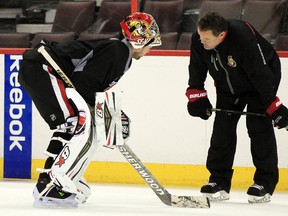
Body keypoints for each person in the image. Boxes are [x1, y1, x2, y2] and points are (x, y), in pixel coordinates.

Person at [18, 12, 161, 208]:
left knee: (73, 122)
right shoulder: (118, 51)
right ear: (140, 39)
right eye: (150, 43)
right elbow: (83, 85)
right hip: (43, 69)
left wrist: (112, 114)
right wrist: (108, 114)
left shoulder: (120, 52)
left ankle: (57, 179)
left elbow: (88, 87)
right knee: (75, 122)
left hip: (39, 69)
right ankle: (51, 184)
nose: (151, 48)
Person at [185, 12, 288, 204]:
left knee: (258, 128)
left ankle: (265, 183)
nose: (202, 41)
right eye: (200, 36)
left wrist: (274, 107)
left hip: (260, 84)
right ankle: (218, 181)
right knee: (222, 131)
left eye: (207, 39)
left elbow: (260, 72)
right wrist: (196, 93)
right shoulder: (199, 39)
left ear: (222, 35)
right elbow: (196, 67)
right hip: (228, 86)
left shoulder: (242, 37)